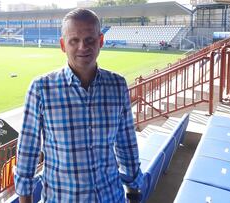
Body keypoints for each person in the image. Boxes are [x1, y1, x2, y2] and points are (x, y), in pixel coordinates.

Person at [14, 8, 143, 203]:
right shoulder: (41, 89)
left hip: (112, 197)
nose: (83, 47)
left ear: (100, 41)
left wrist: (133, 191)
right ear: (63, 45)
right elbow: (28, 151)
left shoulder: (117, 85)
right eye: (74, 40)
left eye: (90, 40)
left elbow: (127, 144)